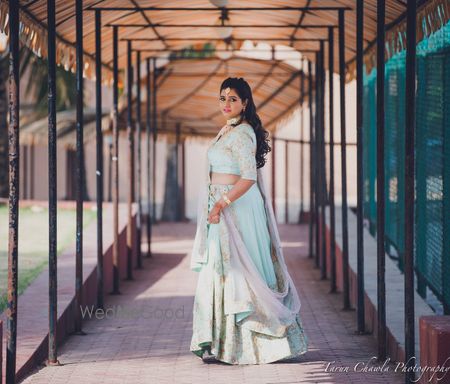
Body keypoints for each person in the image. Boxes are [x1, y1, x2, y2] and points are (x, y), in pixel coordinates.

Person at [189, 77, 308, 365]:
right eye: (222, 98)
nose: (226, 104)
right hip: (222, 207)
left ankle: (257, 344)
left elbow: (248, 178)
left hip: (237, 209)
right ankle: (222, 345)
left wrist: (221, 202)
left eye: (232, 99)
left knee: (240, 271)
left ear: (245, 103)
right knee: (219, 270)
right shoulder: (226, 131)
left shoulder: (242, 134)